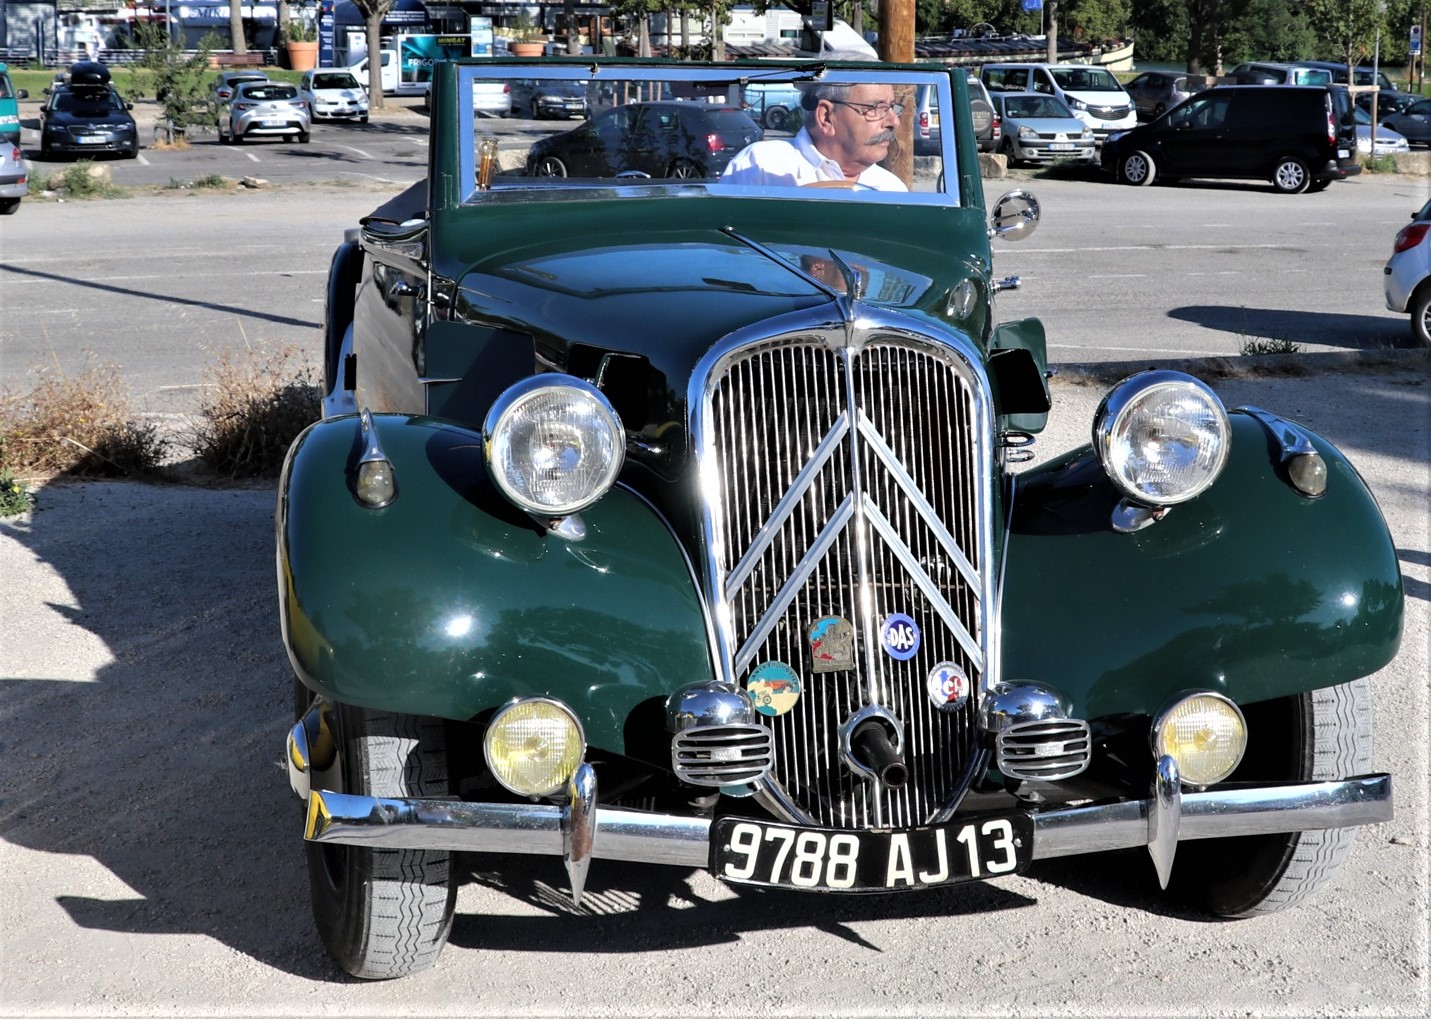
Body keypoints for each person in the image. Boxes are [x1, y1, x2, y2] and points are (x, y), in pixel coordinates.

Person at [721, 81, 908, 191]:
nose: (893, 121)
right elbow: (728, 252)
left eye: (892, 107)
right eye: (876, 108)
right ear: (825, 117)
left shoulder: (891, 189)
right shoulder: (761, 167)